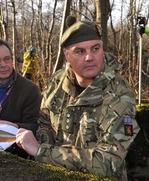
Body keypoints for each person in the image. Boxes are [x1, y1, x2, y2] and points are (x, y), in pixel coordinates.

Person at [16, 16, 140, 179]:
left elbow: (108, 162)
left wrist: (41, 151)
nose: (89, 57)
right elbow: (44, 121)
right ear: (67, 55)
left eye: (95, 49)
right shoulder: (58, 82)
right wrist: (15, 130)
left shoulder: (119, 95)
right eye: (80, 51)